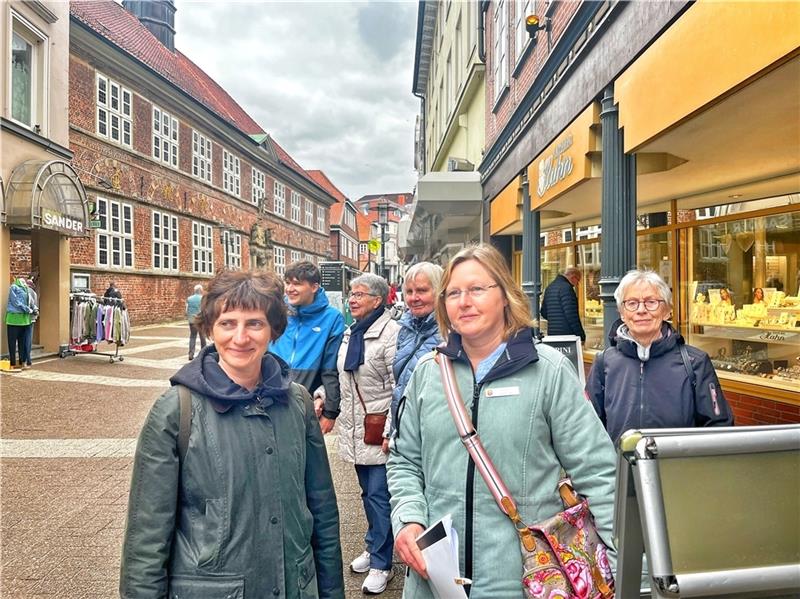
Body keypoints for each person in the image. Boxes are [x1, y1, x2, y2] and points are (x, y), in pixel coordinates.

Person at [387, 244, 616, 598]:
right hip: (435, 581)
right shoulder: (427, 373)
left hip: (524, 580)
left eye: (477, 289)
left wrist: (627, 573)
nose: (464, 301)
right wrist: (407, 517)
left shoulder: (548, 371)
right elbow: (404, 460)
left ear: (506, 296)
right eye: (453, 293)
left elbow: (598, 474)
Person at [119, 270, 344, 598]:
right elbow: (147, 538)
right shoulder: (175, 411)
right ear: (210, 328)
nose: (240, 337)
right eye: (227, 323)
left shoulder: (297, 403)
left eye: (254, 323)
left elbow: (321, 509)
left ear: (273, 331)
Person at [586, 269, 734, 446]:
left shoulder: (695, 363)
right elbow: (589, 427)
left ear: (667, 311)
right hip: (621, 470)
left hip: (675, 470)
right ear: (622, 313)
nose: (641, 310)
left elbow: (719, 427)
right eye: (632, 303)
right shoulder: (604, 362)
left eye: (651, 302)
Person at [336, 273, 400, 594]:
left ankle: (382, 563)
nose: (353, 299)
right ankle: (373, 543)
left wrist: (390, 428)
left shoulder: (391, 334)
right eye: (351, 293)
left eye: (360, 294)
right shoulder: (353, 332)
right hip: (358, 430)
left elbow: (399, 387)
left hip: (379, 430)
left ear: (377, 300)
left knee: (379, 497)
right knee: (368, 495)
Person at [270, 261, 345, 434]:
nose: (290, 289)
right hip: (268, 401)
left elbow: (331, 368)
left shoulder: (332, 318)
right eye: (287, 283)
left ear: (314, 287)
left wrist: (330, 412)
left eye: (297, 283)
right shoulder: (276, 312)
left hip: (304, 405)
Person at [390, 262, 443, 434]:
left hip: (433, 430)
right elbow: (399, 385)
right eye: (409, 292)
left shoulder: (450, 332)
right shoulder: (406, 329)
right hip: (405, 427)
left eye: (421, 291)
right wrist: (392, 430)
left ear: (439, 291)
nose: (414, 298)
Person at [540, 266, 586, 342]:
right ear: (573, 277)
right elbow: (571, 315)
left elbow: (543, 312)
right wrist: (581, 335)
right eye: (577, 281)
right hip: (567, 335)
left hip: (552, 333)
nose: (576, 284)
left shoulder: (549, 287)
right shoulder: (567, 288)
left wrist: (555, 320)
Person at [5, 276, 33, 371]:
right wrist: (26, 309)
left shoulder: (26, 288)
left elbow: (30, 301)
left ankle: (22, 362)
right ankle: (12, 363)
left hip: (25, 320)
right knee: (12, 343)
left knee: (22, 343)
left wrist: (33, 309)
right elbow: (15, 302)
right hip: (13, 319)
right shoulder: (14, 287)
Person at [185, 283, 206, 360]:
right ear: (200, 290)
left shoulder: (189, 298)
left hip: (192, 320)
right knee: (202, 337)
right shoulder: (203, 298)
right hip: (200, 321)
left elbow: (186, 310)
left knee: (192, 337)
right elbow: (205, 310)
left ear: (194, 291)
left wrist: (190, 316)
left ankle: (191, 353)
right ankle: (203, 353)